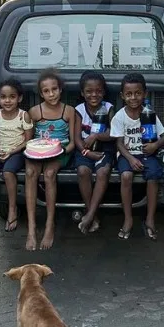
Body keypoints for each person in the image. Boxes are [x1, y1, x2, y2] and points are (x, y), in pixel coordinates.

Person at [111, 73, 164, 240]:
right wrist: (130, 158)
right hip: (127, 154)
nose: (133, 98)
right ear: (123, 96)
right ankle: (128, 219)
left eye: (137, 93)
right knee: (126, 176)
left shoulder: (148, 114)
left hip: (147, 153)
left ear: (144, 93)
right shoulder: (120, 117)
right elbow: (119, 144)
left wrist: (154, 146)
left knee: (153, 177)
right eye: (129, 94)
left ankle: (150, 218)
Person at [25, 69, 77, 251]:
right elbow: (29, 140)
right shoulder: (34, 112)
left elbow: (72, 142)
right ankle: (31, 228)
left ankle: (49, 224)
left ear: (60, 89)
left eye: (54, 89)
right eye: (46, 91)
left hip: (60, 152)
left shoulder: (68, 111)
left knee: (49, 174)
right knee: (30, 173)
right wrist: (38, 150)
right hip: (38, 152)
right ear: (41, 93)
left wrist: (61, 151)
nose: (51, 94)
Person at [0, 78, 33, 233]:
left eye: (12, 97)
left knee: (8, 173)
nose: (7, 100)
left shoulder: (23, 116)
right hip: (1, 151)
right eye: (3, 97)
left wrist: (12, 152)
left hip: (18, 152)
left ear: (19, 98)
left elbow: (28, 140)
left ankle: (12, 208)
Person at [74, 71, 115, 235]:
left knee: (103, 171)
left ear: (103, 92)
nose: (94, 95)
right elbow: (76, 137)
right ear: (82, 93)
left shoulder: (108, 107)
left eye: (98, 91)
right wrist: (86, 151)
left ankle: (89, 215)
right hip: (84, 149)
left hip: (105, 148)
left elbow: (114, 133)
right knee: (83, 171)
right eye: (89, 91)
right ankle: (92, 213)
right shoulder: (79, 110)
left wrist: (96, 135)